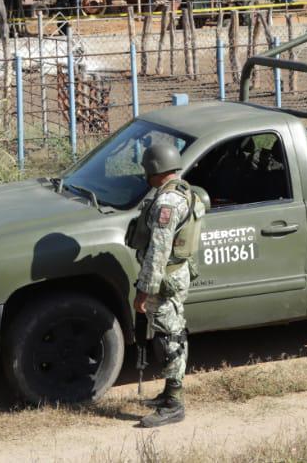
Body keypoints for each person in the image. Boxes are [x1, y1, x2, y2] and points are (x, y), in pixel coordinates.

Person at [131, 141, 201, 428]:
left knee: (168, 337)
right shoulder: (186, 192)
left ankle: (174, 403)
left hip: (165, 279)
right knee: (170, 331)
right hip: (177, 273)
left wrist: (143, 291)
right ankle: (169, 394)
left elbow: (158, 251)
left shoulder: (167, 203)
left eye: (148, 170)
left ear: (156, 170)